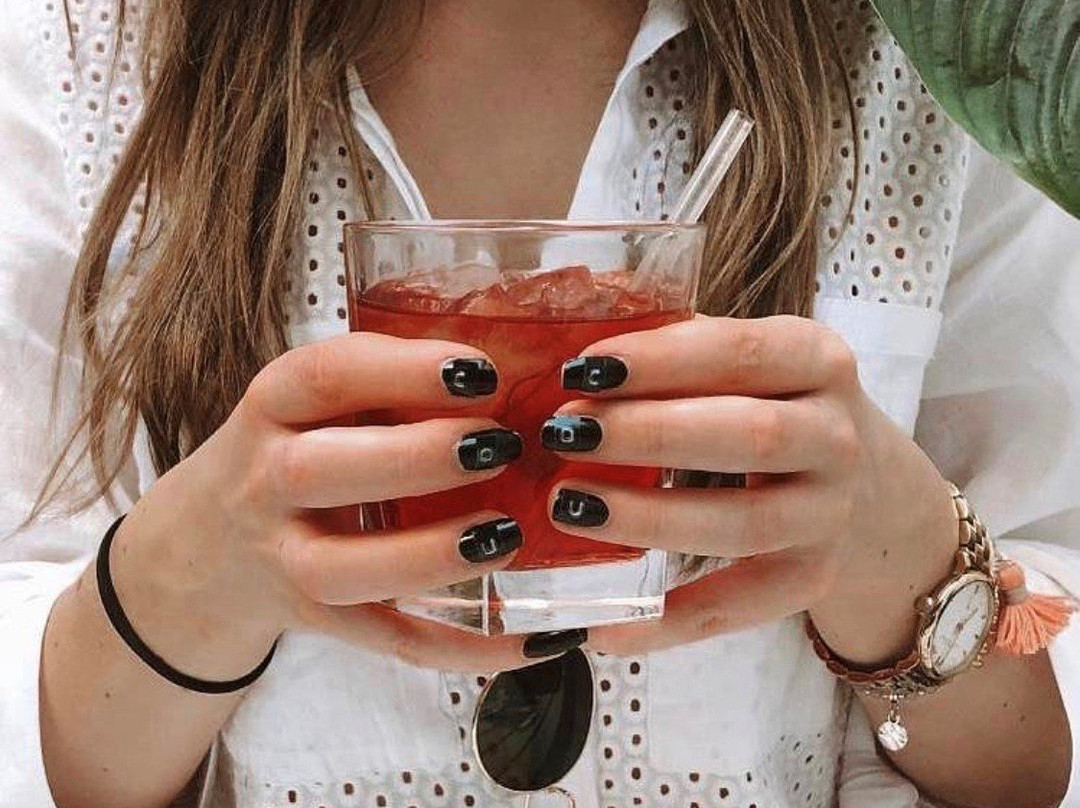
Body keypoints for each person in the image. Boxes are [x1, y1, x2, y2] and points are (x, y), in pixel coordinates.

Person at [1, 0, 1077, 806]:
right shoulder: (80, 52)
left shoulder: (956, 51)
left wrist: (907, 565)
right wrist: (179, 587)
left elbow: (1031, 761)